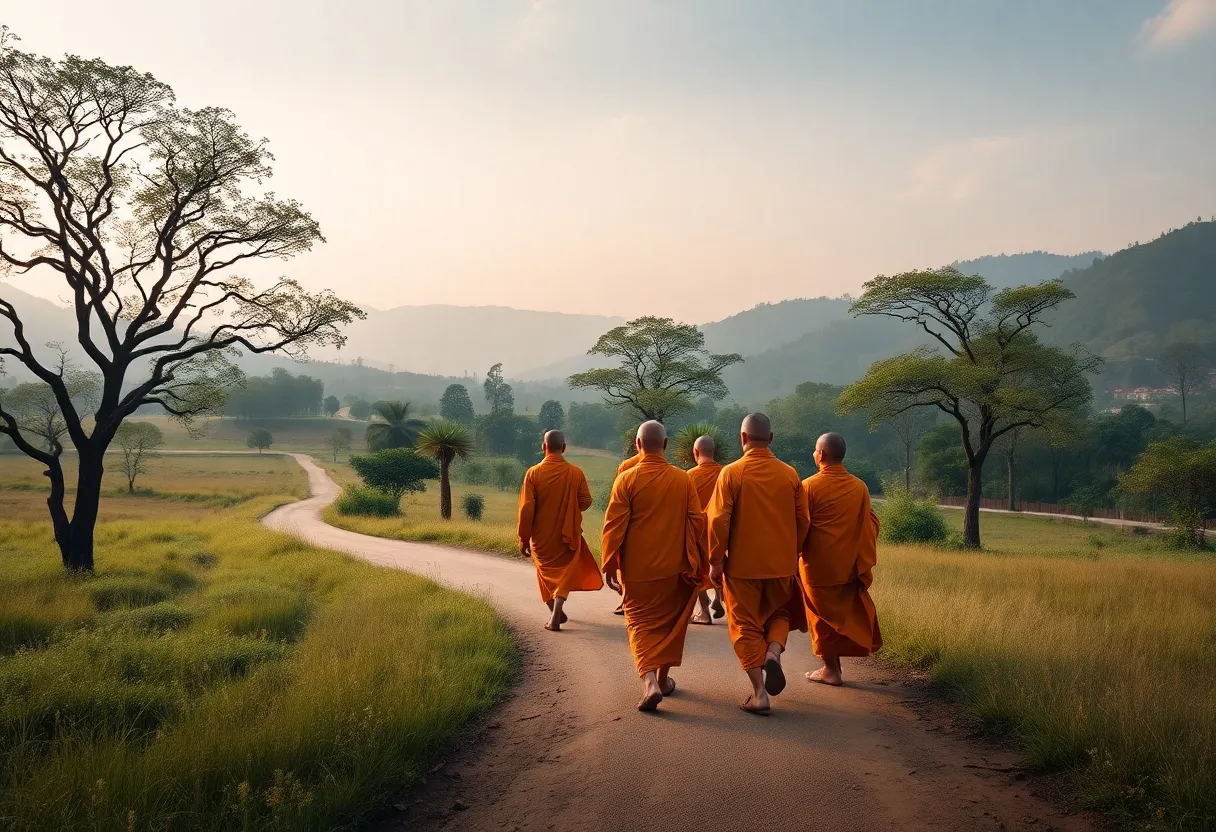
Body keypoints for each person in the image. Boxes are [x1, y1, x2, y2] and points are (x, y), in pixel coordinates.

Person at [601, 421, 709, 711]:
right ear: (665, 444)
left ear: (638, 445)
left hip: (638, 571)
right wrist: (696, 558)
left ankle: (650, 682)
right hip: (675, 567)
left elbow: (614, 525)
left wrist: (609, 564)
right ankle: (663, 680)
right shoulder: (683, 479)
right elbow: (698, 521)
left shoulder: (626, 479)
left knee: (638, 623)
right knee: (671, 624)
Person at [708, 413, 809, 715]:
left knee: (745, 625)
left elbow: (718, 521)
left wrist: (715, 561)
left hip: (743, 568)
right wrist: (793, 552)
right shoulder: (790, 474)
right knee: (779, 612)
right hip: (781, 566)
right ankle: (774, 653)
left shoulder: (731, 473)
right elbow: (803, 520)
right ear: (771, 438)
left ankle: (759, 693)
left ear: (742, 439)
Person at [799, 432, 882, 686]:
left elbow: (800, 526)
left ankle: (830, 670)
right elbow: (870, 525)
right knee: (841, 615)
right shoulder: (859, 486)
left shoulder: (809, 486)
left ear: (821, 454)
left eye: (815, 450)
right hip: (847, 565)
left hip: (817, 567)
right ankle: (832, 667)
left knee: (821, 619)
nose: (814, 454)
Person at [517, 429, 603, 631]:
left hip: (541, 536)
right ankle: (558, 610)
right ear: (564, 448)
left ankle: (554, 612)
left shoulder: (533, 473)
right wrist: (570, 509)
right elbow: (586, 501)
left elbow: (526, 508)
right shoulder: (575, 472)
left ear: (543, 447)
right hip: (568, 533)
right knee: (564, 573)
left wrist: (523, 537)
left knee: (543, 572)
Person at [687, 434, 725, 625]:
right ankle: (718, 597)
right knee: (719, 565)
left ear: (695, 452)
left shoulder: (689, 476)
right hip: (721, 532)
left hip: (698, 532)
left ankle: (703, 612)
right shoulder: (725, 473)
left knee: (698, 572)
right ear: (713, 452)